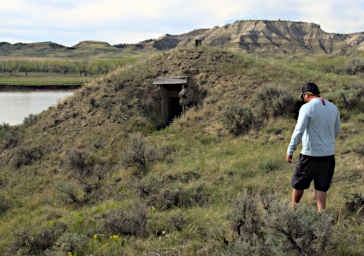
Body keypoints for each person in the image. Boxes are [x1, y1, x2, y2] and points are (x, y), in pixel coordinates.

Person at [286, 82, 341, 212]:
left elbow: (299, 130)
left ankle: (293, 211)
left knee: (298, 183)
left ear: (307, 95)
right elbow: (337, 129)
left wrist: (290, 149)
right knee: (321, 187)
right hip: (328, 155)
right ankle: (322, 217)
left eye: (303, 96)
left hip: (309, 155)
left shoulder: (307, 108)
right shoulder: (333, 108)